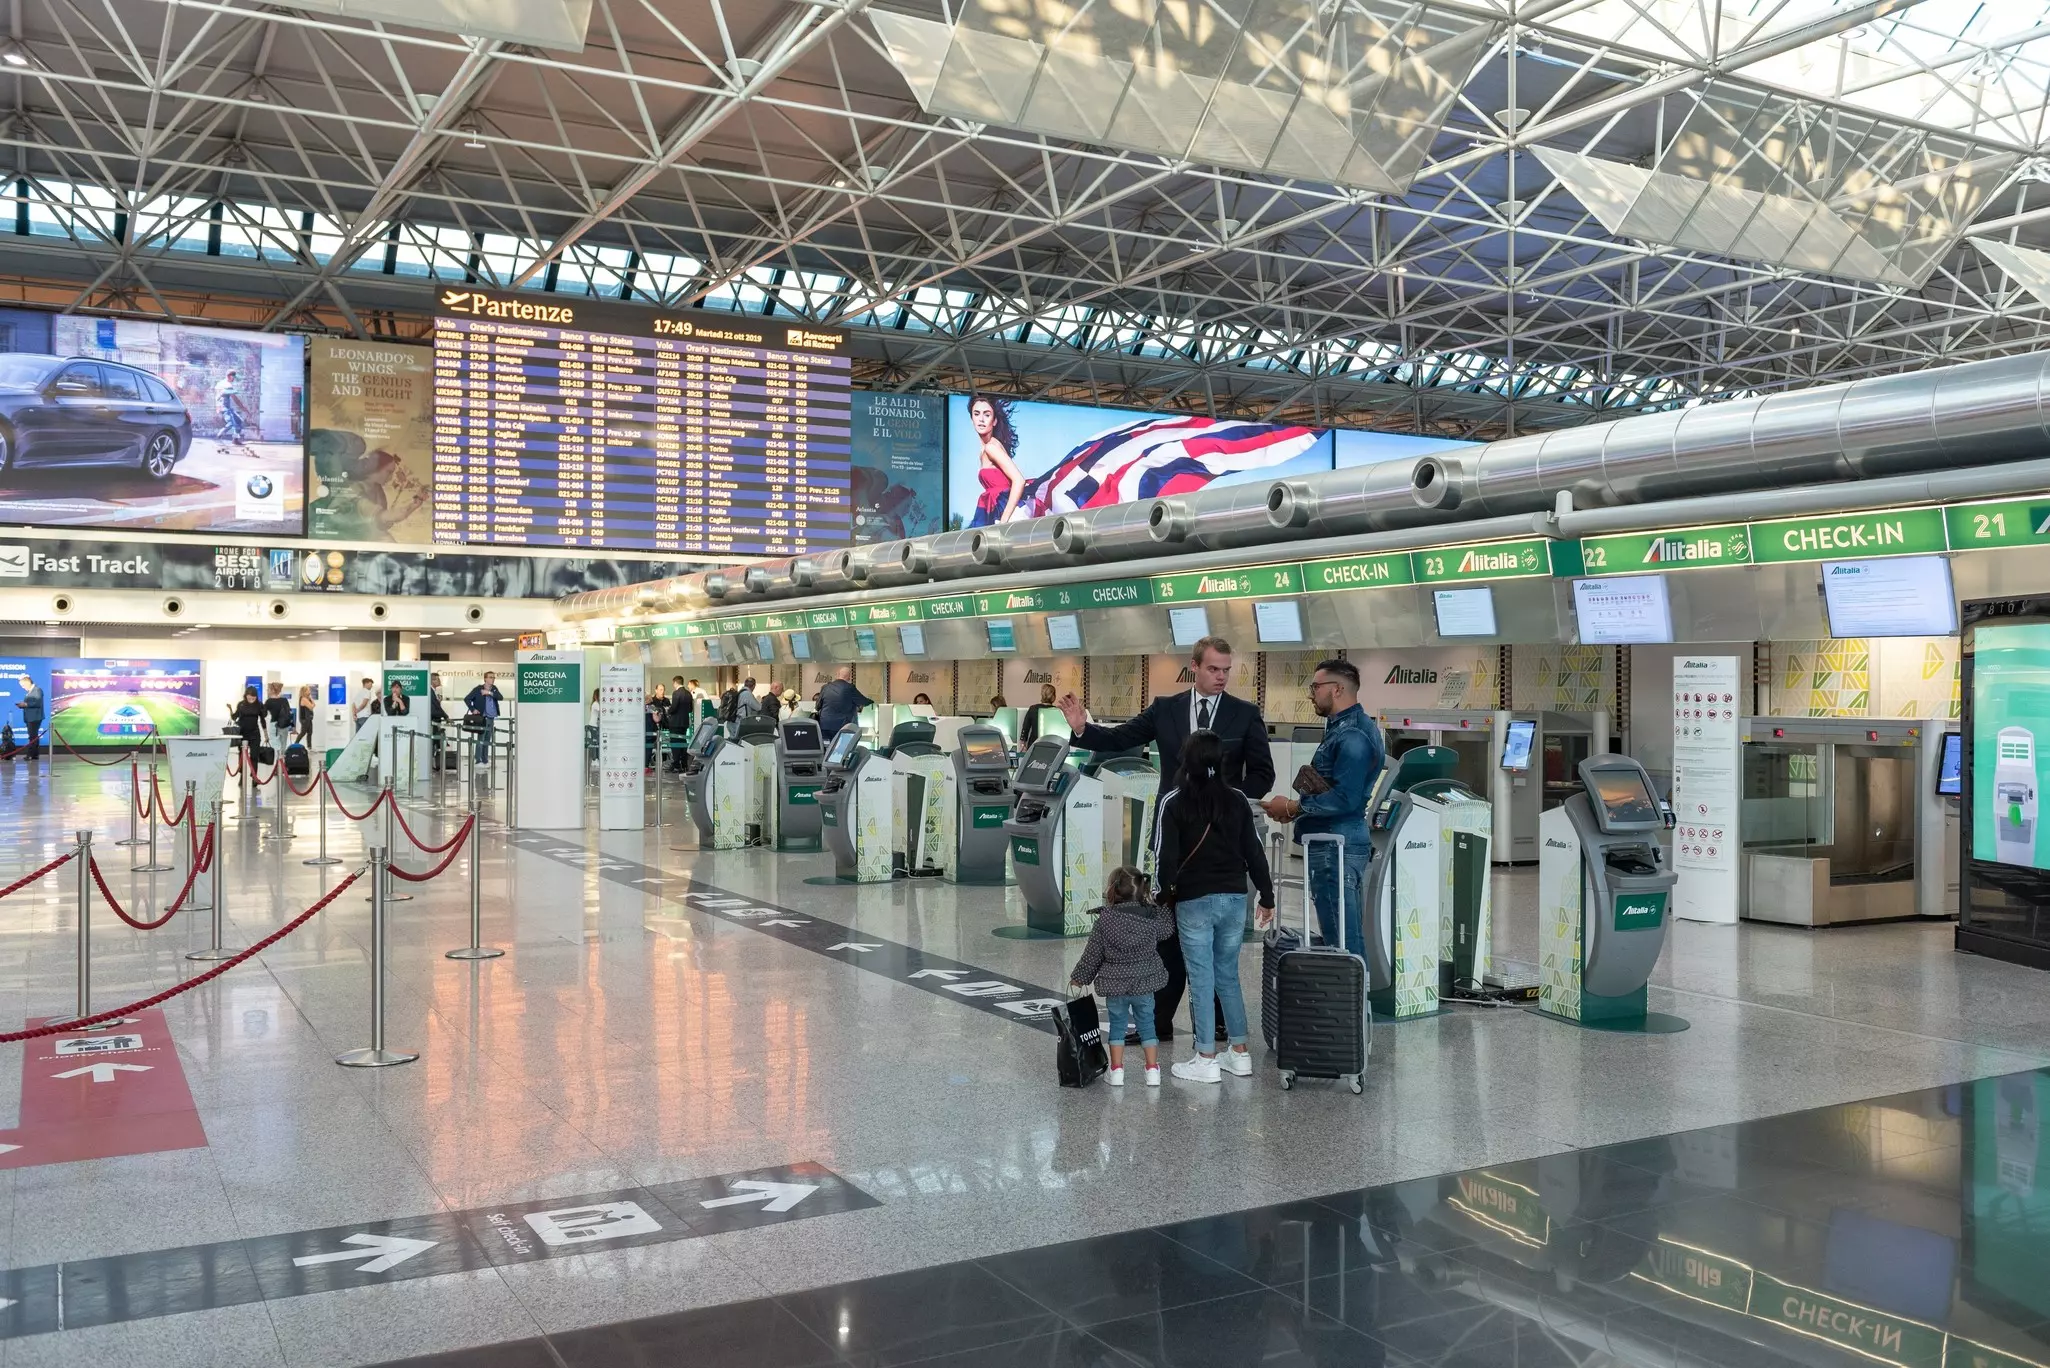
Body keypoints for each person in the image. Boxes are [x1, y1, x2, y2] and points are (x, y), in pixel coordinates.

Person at [1059, 636, 1275, 1039]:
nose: (1222, 676)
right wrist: (1083, 729)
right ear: (1194, 667)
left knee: (1212, 943)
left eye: (1227, 669)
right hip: (1174, 836)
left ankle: (1216, 1027)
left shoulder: (1244, 715)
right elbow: (1119, 738)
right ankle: (1157, 1024)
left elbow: (1264, 775)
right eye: (1213, 669)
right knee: (1169, 932)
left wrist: (1223, 799)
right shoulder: (1166, 710)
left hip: (1222, 843)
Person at [1156, 730, 1275, 1084]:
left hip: (1194, 900)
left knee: (1202, 977)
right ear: (1220, 761)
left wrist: (1164, 898)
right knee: (1228, 976)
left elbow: (1166, 858)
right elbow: (1254, 851)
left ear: (1185, 760)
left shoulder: (1174, 801)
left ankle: (1206, 1057)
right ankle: (1239, 1054)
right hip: (1234, 898)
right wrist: (1266, 897)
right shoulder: (1237, 799)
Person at [1262, 658, 1385, 959]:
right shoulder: (1343, 729)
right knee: (1340, 934)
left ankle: (1352, 1004)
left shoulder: (1353, 735)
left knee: (1342, 939)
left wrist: (1293, 806)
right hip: (1332, 841)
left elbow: (1346, 799)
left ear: (1338, 689)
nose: (1311, 693)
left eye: (1316, 687)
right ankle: (1352, 1002)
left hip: (1336, 846)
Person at [1069, 866, 1174, 1088]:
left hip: (1115, 985)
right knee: (1147, 1024)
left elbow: (1092, 955)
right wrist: (1163, 904)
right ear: (1142, 890)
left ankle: (1116, 1072)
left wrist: (1079, 978)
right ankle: (1152, 1070)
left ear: (1112, 891)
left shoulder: (1105, 921)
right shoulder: (1152, 919)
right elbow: (1167, 930)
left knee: (1117, 1026)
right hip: (1144, 983)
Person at [966, 393, 1026, 527]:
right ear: (971, 419)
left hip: (1002, 510)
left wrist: (1004, 521)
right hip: (994, 508)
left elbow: (1019, 480)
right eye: (976, 414)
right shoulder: (985, 450)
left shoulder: (991, 448)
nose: (981, 419)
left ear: (994, 421)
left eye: (987, 415)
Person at [816, 665, 871, 742]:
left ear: (837, 675)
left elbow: (817, 706)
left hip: (825, 726)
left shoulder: (825, 687)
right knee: (841, 749)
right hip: (842, 727)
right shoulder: (850, 688)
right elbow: (863, 701)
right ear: (849, 677)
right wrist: (871, 701)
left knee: (827, 748)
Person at [465, 671, 504, 766]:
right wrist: (473, 709)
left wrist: (489, 693)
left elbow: (500, 697)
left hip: (491, 718)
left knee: (487, 740)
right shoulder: (478, 689)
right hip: (482, 718)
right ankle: (478, 760)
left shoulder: (494, 689)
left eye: (493, 677)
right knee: (481, 739)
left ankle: (485, 760)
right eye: (490, 677)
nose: (493, 679)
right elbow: (467, 699)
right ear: (485, 679)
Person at [228, 685, 265, 769]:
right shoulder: (241, 704)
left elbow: (263, 720)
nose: (251, 698)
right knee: (242, 756)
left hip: (255, 734)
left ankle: (254, 777)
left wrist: (266, 735)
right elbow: (234, 717)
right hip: (242, 734)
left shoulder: (259, 704)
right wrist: (230, 709)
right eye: (250, 696)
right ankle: (242, 775)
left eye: (253, 696)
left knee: (254, 756)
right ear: (246, 695)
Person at [1019, 682, 1059, 747]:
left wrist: (1023, 744)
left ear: (1042, 694)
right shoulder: (1057, 711)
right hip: (1052, 746)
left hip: (1034, 745)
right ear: (1053, 696)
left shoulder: (1033, 709)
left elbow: (1025, 729)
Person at [215, 368, 249, 445]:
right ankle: (218, 437)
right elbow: (236, 400)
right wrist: (244, 408)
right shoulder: (228, 385)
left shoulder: (220, 383)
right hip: (225, 408)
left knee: (238, 421)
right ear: (230, 376)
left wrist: (217, 406)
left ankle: (235, 439)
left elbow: (217, 396)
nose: (234, 379)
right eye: (234, 377)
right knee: (231, 423)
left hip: (225, 407)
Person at [16, 675, 43, 763]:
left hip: (34, 717)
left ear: (27, 682)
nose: (23, 687)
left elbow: (37, 702)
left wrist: (25, 705)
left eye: (23, 685)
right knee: (33, 736)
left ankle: (31, 755)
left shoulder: (37, 690)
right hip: (30, 717)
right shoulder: (30, 691)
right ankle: (34, 755)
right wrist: (23, 705)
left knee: (32, 736)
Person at [427, 674, 449, 769]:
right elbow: (434, 708)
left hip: (436, 720)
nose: (439, 681)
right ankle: (430, 764)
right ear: (433, 680)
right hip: (433, 720)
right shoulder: (430, 691)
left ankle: (433, 763)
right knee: (432, 742)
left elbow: (437, 705)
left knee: (435, 743)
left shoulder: (434, 691)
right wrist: (445, 716)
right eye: (438, 679)